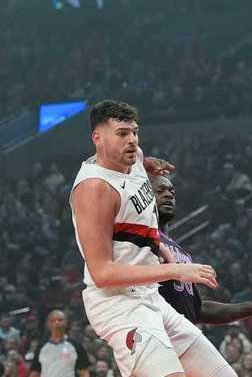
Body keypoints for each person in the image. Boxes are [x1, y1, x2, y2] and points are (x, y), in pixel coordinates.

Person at [69, 99, 232, 377]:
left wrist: (147, 163)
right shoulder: (95, 189)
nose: (132, 140)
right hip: (117, 304)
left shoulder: (134, 159)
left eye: (134, 132)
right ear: (97, 138)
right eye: (122, 134)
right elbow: (102, 273)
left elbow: (141, 217)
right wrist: (176, 269)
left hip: (150, 296)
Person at [151, 175, 252, 329]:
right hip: (154, 329)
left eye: (172, 192)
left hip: (181, 333)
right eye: (160, 191)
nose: (168, 195)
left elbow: (198, 309)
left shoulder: (180, 251)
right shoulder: (142, 238)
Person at [28, 310, 89, 377]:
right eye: (53, 320)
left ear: (66, 323)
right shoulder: (41, 347)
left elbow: (84, 372)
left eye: (60, 320)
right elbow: (35, 372)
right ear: (48, 324)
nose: (57, 323)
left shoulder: (76, 346)